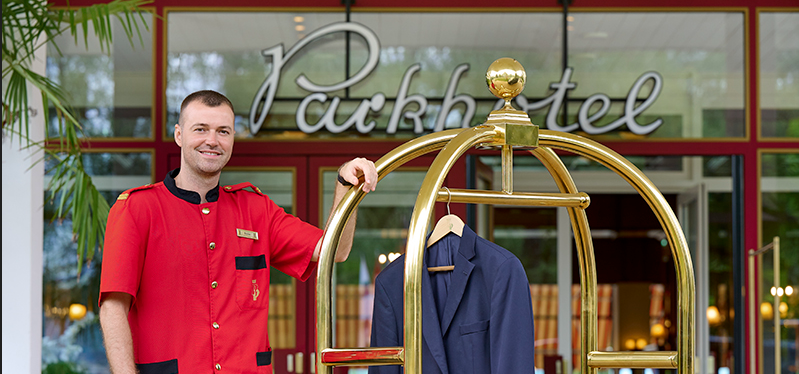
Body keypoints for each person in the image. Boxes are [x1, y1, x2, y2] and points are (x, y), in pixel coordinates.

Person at [98, 90, 378, 374]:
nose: (212, 140)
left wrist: (346, 185)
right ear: (179, 135)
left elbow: (336, 251)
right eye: (201, 129)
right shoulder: (137, 209)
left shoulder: (257, 210)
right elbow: (112, 308)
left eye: (223, 131)